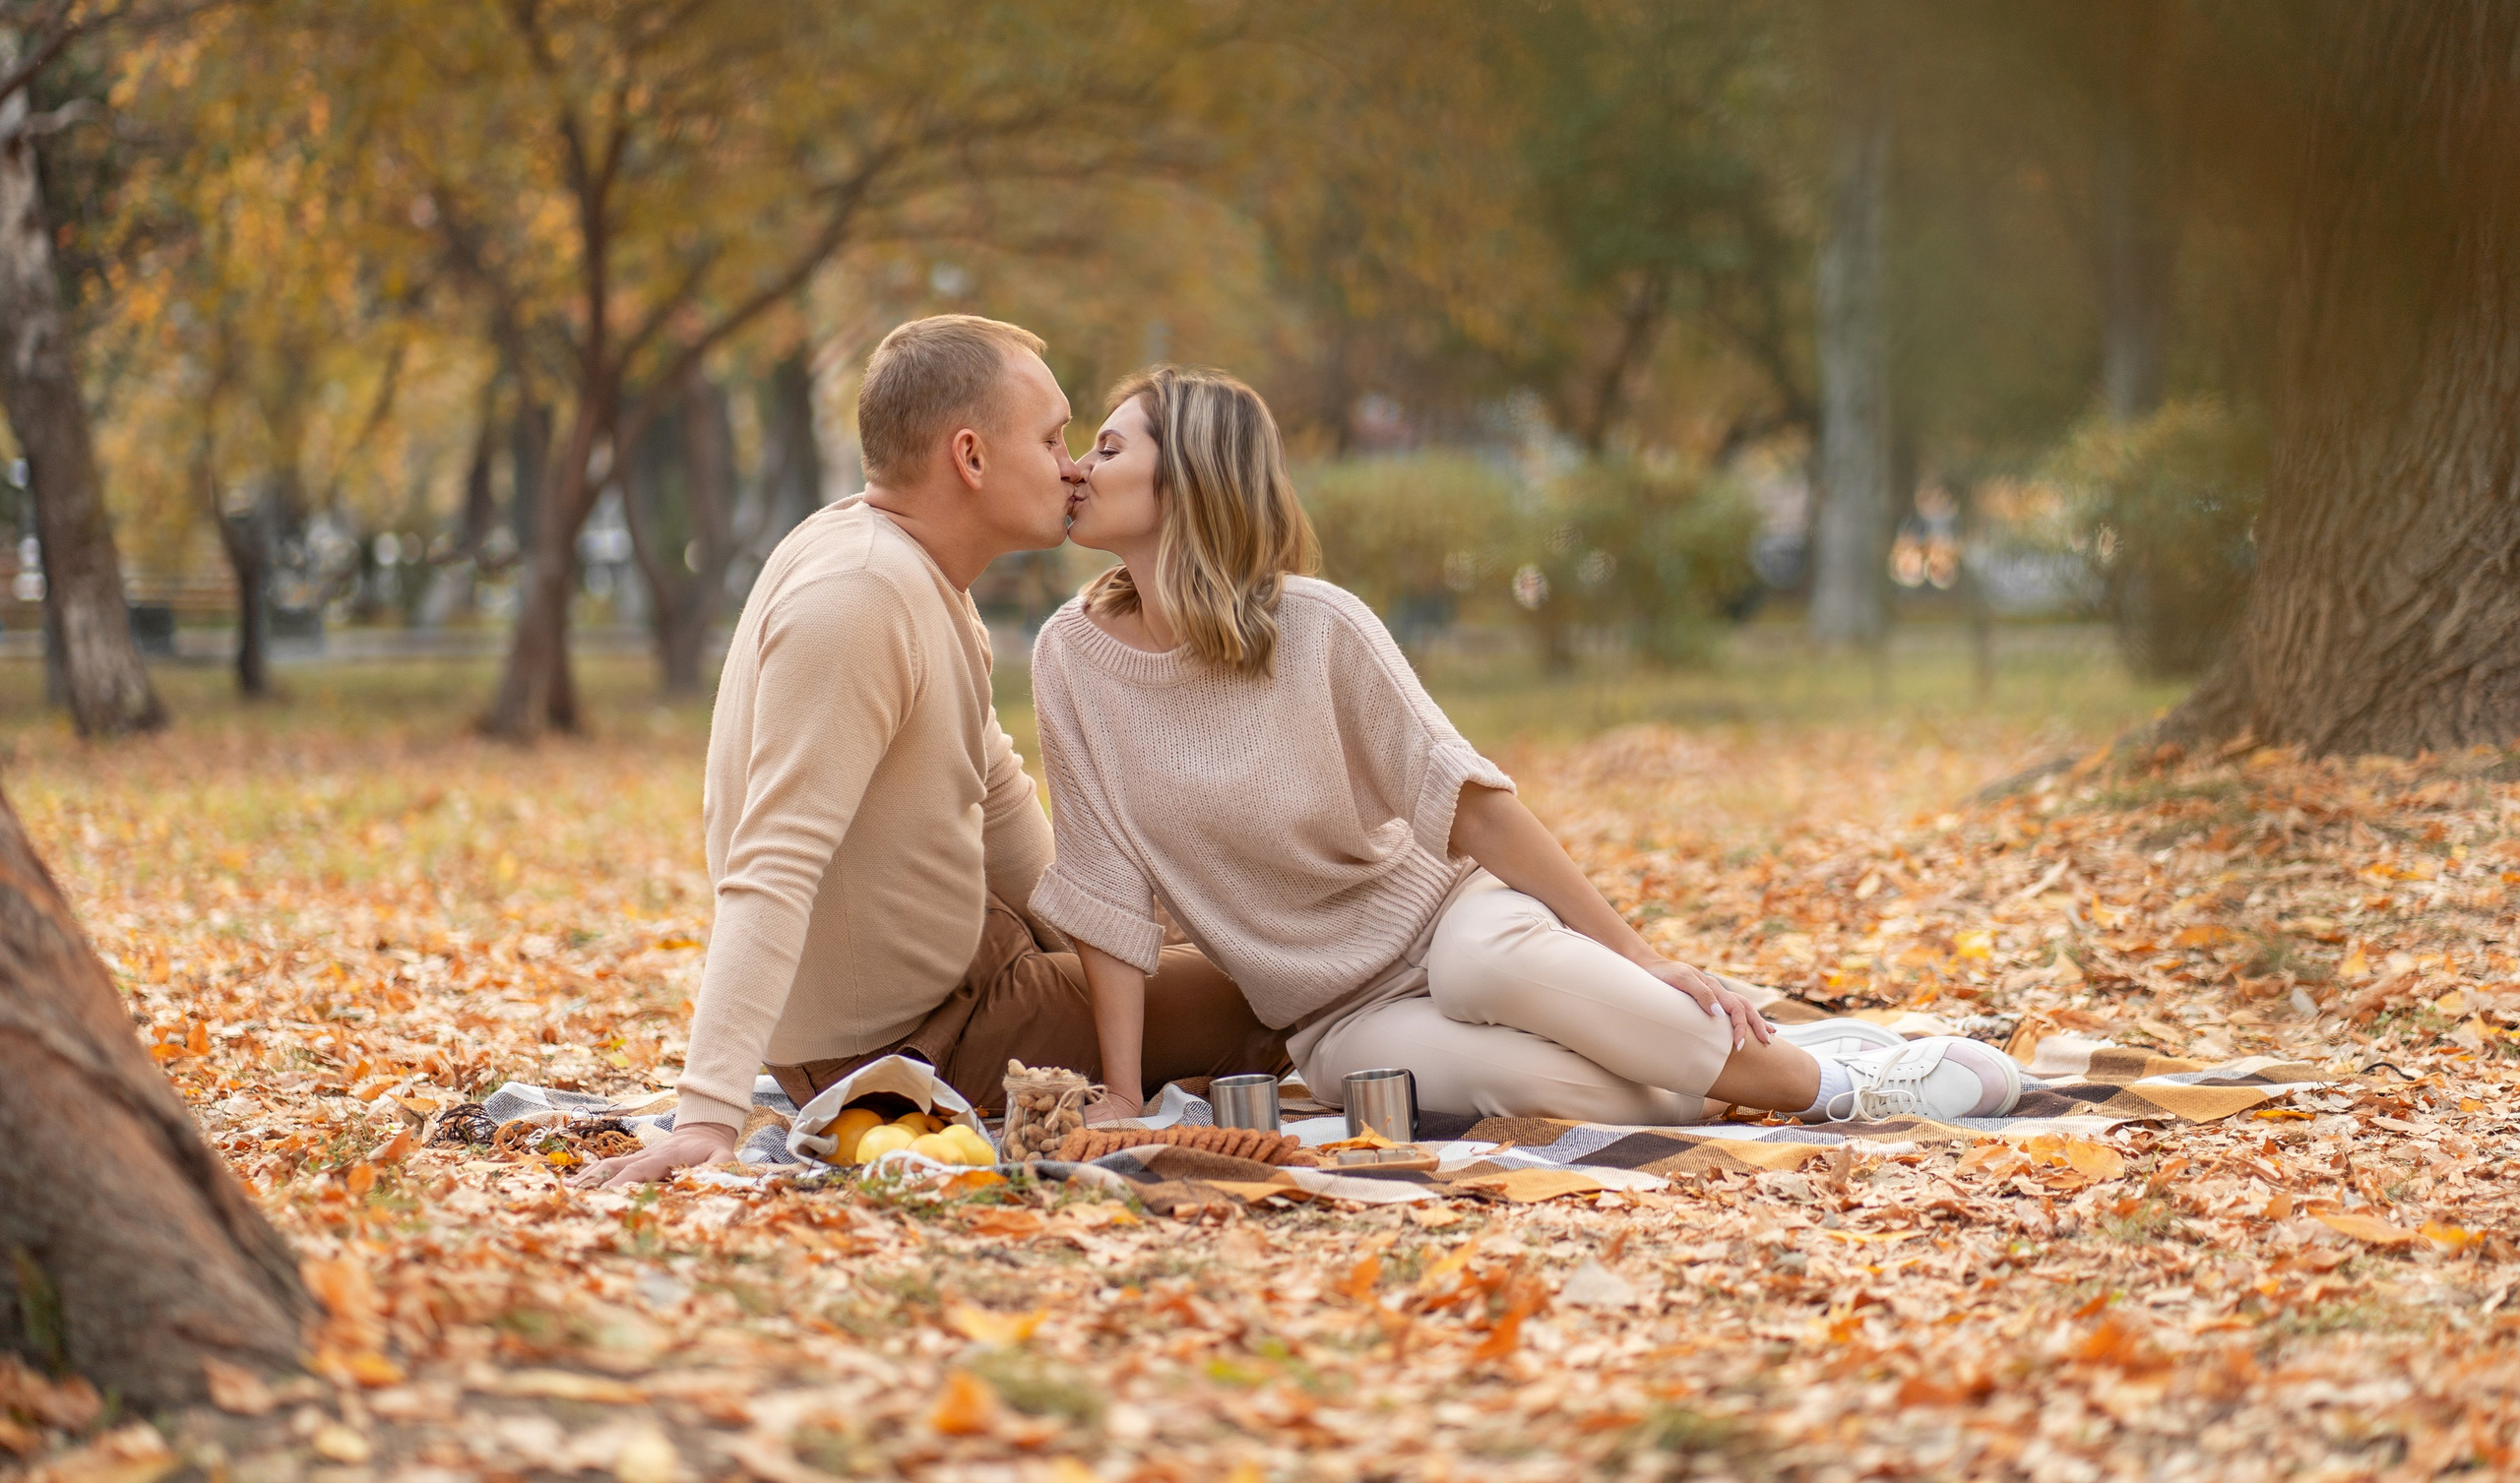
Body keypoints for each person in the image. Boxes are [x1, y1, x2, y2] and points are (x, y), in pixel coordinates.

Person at [1028, 367, 2025, 1130]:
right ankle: (1808, 1050)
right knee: (1563, 1088)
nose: (1076, 467)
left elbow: (1467, 802)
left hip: (1449, 923)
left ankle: (1835, 1090)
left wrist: (1640, 954)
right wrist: (1119, 1092)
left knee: (1487, 975)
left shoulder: (1316, 627)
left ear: (1189, 474)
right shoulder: (1070, 659)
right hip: (1334, 1021)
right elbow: (1105, 892)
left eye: (1106, 449)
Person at [581, 321, 1283, 1188]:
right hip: (913, 1044)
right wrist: (707, 1115)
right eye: (1052, 437)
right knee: (1273, 987)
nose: (1072, 466)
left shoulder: (915, 572)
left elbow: (1001, 810)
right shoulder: (861, 597)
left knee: (1227, 940)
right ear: (971, 457)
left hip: (973, 964)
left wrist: (1144, 943)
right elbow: (774, 859)